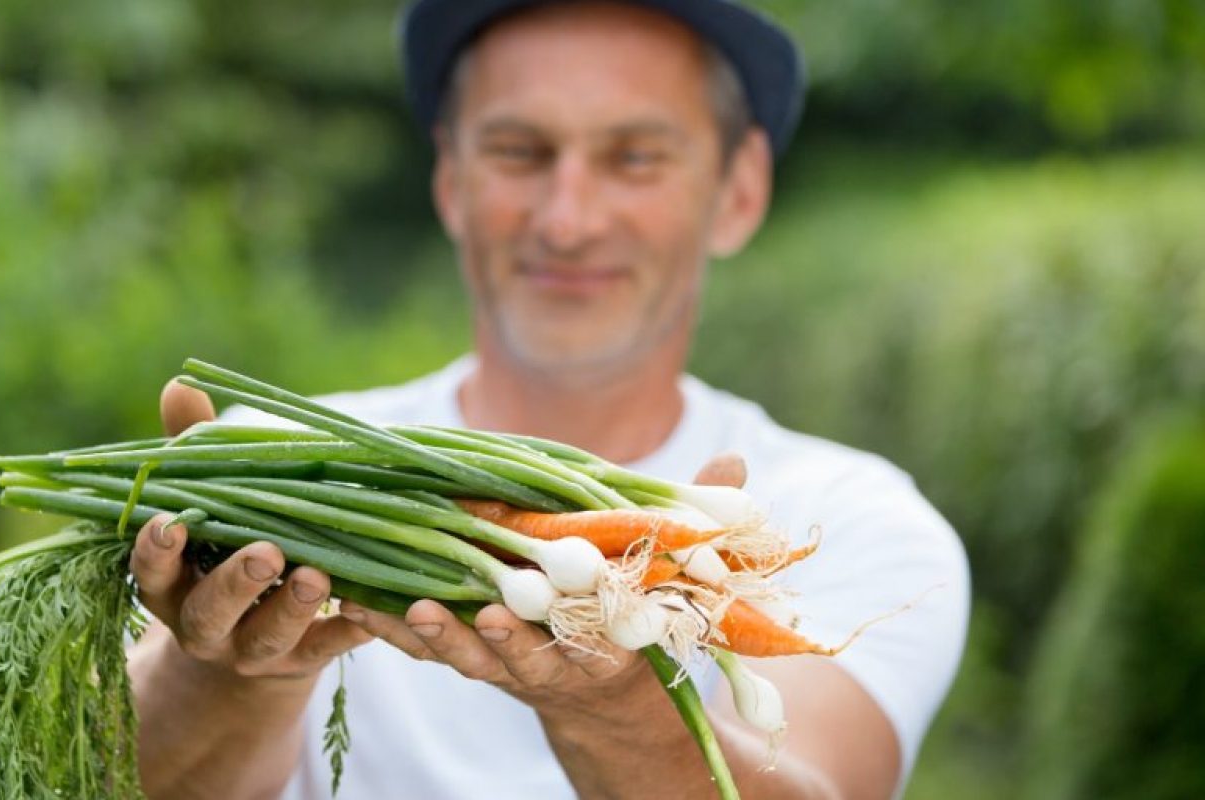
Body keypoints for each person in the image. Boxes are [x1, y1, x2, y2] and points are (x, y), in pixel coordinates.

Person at [124, 1, 970, 798]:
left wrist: (617, 705)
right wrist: (220, 674)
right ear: (450, 180)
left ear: (739, 189)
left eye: (635, 157)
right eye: (519, 152)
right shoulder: (271, 472)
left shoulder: (858, 523)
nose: (567, 219)